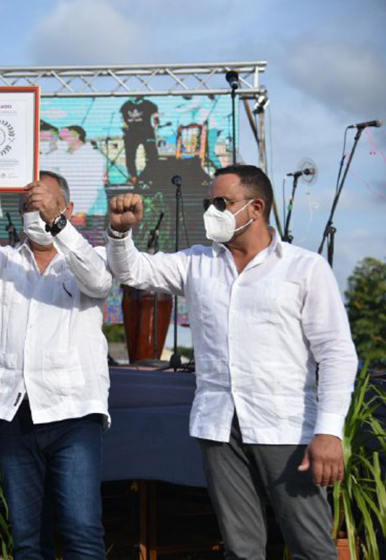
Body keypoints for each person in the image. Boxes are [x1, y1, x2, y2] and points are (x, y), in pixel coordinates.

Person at [106, 164, 358, 559]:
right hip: (219, 425)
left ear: (256, 208)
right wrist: (121, 232)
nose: (212, 211)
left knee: (311, 546)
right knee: (241, 549)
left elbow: (337, 353)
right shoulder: (197, 262)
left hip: (286, 427)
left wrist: (329, 432)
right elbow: (132, 271)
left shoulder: (304, 268)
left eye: (221, 203)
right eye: (210, 203)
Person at [0, 170, 112, 559]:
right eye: (29, 206)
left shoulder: (86, 257)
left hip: (73, 412)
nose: (37, 212)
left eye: (45, 203)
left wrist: (59, 225)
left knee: (81, 531)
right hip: (15, 412)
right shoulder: (3, 260)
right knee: (28, 537)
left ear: (67, 208)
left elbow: (100, 284)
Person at [120, 96, 160, 183]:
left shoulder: (149, 104)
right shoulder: (126, 105)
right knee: (130, 156)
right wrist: (125, 128)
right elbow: (123, 120)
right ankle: (133, 177)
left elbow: (156, 119)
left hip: (146, 132)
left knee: (152, 156)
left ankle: (147, 177)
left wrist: (156, 122)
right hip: (132, 134)